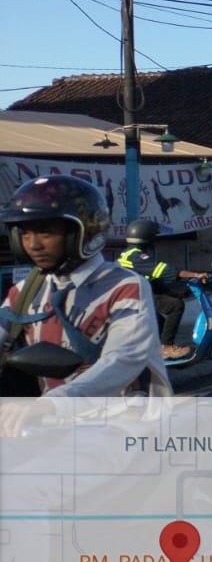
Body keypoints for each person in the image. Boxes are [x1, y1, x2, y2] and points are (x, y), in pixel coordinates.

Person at [1, 176, 170, 433]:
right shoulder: (24, 292)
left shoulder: (124, 286)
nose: (33, 244)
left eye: (46, 232)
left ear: (83, 233)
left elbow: (123, 359)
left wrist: (54, 403)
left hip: (124, 422)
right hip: (50, 423)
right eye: (24, 233)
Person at [117, 218, 209, 358]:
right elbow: (164, 271)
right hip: (134, 296)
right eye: (154, 237)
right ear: (147, 238)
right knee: (176, 306)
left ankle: (155, 349)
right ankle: (166, 347)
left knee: (160, 317)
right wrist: (195, 274)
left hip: (136, 293)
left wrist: (180, 292)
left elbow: (153, 281)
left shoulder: (131, 253)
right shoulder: (137, 256)